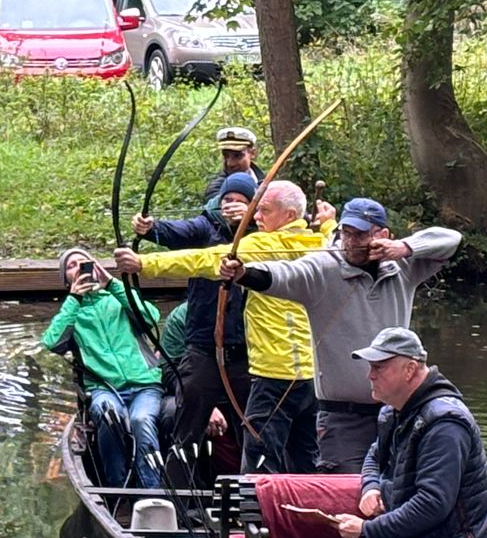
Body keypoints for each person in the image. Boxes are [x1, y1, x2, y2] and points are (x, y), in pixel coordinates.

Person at [217, 196, 460, 472]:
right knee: (345, 495)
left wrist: (405, 247)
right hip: (342, 419)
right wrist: (243, 273)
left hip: (397, 412)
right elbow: (282, 274)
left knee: (398, 491)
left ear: (382, 235)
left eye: (360, 234)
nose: (350, 241)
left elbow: (451, 239)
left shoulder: (404, 268)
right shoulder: (323, 268)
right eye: (346, 233)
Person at [120, 180, 332, 473]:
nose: (256, 217)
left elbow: (202, 258)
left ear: (289, 216)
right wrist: (330, 223)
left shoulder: (261, 245)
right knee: (304, 454)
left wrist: (143, 264)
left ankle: (257, 517)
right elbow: (336, 238)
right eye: (255, 210)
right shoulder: (321, 245)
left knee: (260, 457)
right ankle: (300, 515)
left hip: (271, 372)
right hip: (312, 374)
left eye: (264, 211)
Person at [326, 327, 487, 538]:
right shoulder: (394, 412)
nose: (370, 375)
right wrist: (370, 487)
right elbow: (373, 456)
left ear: (410, 369)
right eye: (370, 367)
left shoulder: (445, 423)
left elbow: (433, 504)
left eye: (379, 367)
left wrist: (368, 531)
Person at [130, 171, 256, 477]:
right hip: (203, 348)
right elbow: (177, 232)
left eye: (241, 202)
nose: (232, 206)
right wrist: (150, 229)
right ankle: (176, 504)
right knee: (187, 430)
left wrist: (246, 223)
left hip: (248, 352)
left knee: (252, 431)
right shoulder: (206, 226)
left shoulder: (260, 234)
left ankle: (255, 504)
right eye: (227, 200)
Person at [42, 247, 165, 488]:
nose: (78, 267)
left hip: (144, 384)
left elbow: (151, 317)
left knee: (141, 420)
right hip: (104, 388)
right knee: (108, 414)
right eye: (71, 266)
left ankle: (153, 492)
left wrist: (112, 283)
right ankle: (118, 489)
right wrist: (74, 300)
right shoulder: (72, 311)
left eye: (84, 262)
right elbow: (52, 343)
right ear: (66, 280)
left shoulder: (117, 298)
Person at [201, 125, 259, 205]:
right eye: (226, 156)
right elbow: (216, 208)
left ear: (252, 153)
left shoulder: (264, 181)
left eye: (237, 156)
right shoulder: (216, 187)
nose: (230, 163)